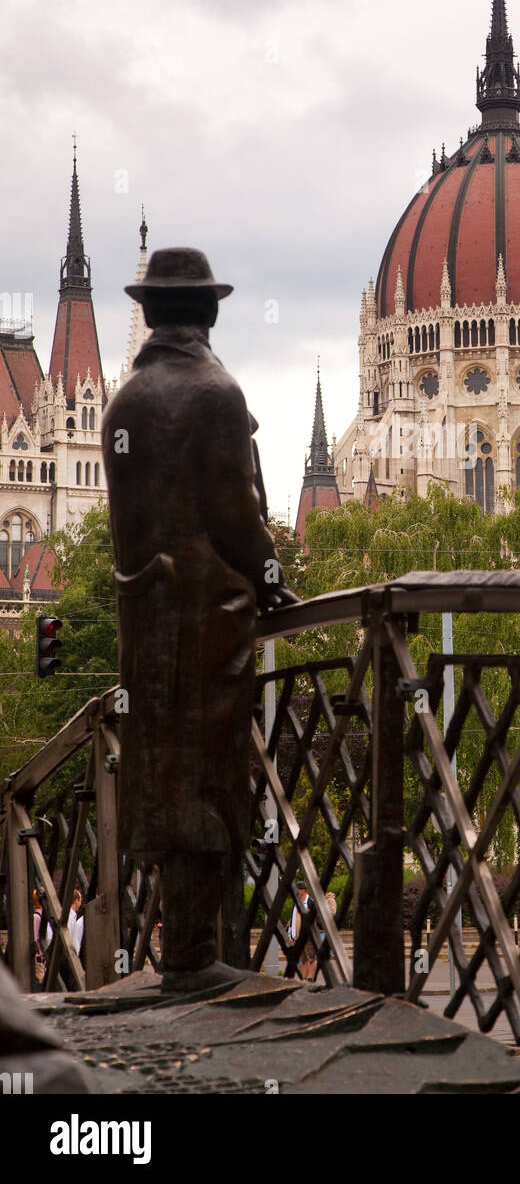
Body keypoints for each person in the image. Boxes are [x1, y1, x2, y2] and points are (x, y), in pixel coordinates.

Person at [102, 247, 299, 995]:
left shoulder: (126, 402)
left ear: (150, 313)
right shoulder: (214, 394)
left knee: (162, 768)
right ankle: (191, 953)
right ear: (209, 312)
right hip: (209, 616)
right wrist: (271, 574)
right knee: (212, 771)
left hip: (146, 620)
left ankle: (181, 947)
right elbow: (235, 515)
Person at [288, 880, 317, 982]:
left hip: (308, 935)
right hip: (298, 936)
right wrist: (291, 935)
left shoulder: (310, 902)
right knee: (303, 959)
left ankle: (309, 978)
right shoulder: (296, 902)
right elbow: (292, 919)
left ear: (303, 890)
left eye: (298, 890)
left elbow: (316, 918)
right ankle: (303, 979)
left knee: (311, 958)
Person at [68, 889, 84, 957]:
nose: (81, 902)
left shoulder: (72, 916)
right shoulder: (69, 917)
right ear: (76, 901)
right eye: (80, 899)